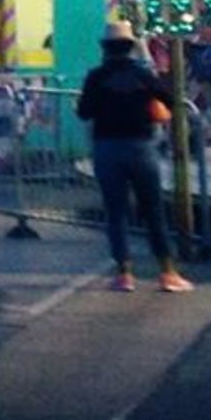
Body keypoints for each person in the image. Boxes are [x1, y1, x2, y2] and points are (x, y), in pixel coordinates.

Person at [72, 28, 185, 294]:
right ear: (130, 46)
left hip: (108, 147)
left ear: (105, 48)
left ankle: (124, 274)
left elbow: (84, 112)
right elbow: (169, 99)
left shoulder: (96, 77)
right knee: (153, 210)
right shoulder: (142, 75)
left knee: (116, 212)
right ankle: (167, 272)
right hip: (141, 146)